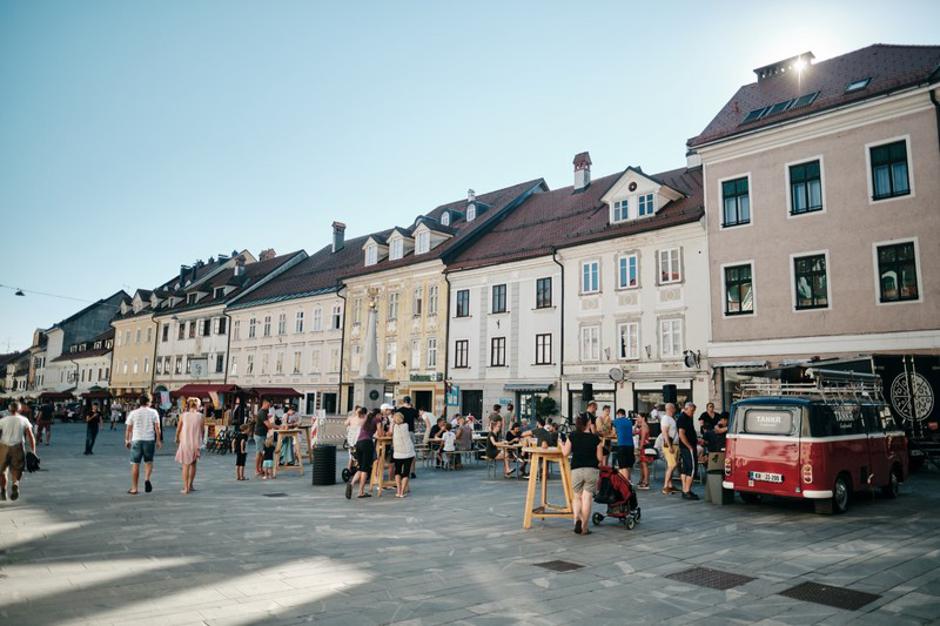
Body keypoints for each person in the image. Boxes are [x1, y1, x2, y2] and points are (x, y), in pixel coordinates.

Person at [562, 415, 604, 536]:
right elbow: (600, 458)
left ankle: (577, 520)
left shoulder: (572, 436)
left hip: (576, 470)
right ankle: (585, 527)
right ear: (589, 423)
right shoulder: (596, 439)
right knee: (587, 498)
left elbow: (565, 453)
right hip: (591, 470)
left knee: (577, 497)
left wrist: (561, 444)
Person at [124, 394, 162, 495]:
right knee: (148, 462)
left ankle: (134, 488)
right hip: (149, 440)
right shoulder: (154, 412)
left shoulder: (133, 413)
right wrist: (158, 440)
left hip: (136, 440)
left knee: (135, 464)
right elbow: (157, 428)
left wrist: (127, 440)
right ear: (149, 402)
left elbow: (128, 428)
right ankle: (146, 479)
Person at [0, 402, 37, 501]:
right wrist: (33, 451)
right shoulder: (24, 420)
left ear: (9, 409)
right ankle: (15, 484)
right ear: (20, 410)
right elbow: (30, 436)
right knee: (17, 469)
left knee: (2, 471)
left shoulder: (3, 420)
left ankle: (3, 490)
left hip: (3, 446)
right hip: (18, 447)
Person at [347, 408, 383, 499]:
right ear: (378, 414)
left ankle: (351, 484)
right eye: (381, 414)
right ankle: (361, 492)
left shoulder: (367, 419)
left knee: (360, 467)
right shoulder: (377, 419)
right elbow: (380, 433)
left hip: (359, 443)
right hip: (367, 443)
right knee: (365, 469)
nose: (382, 416)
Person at [174, 398, 205, 494]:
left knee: (185, 465)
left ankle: (186, 487)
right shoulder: (201, 416)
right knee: (193, 464)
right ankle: (191, 485)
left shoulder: (183, 415)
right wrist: (201, 440)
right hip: (195, 443)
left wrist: (177, 438)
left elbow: (178, 428)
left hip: (185, 442)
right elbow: (202, 430)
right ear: (198, 406)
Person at [677, 402, 700, 500]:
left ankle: (685, 489)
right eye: (691, 411)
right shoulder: (683, 418)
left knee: (686, 468)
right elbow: (681, 434)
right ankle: (686, 491)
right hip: (687, 447)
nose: (693, 413)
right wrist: (689, 446)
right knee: (692, 468)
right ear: (686, 409)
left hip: (687, 446)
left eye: (694, 411)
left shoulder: (687, 418)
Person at [391, 412, 415, 497]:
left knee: (397, 471)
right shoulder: (406, 425)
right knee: (406, 472)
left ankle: (398, 490)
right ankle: (402, 492)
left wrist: (392, 423)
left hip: (398, 453)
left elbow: (390, 433)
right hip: (408, 452)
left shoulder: (393, 427)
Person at [397, 396, 420, 479]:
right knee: (412, 452)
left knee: (401, 451)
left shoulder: (399, 410)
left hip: (400, 432)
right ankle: (412, 471)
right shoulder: (413, 410)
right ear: (410, 401)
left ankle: (402, 470)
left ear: (403, 401)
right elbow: (419, 419)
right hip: (410, 432)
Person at [659, 403, 678, 495]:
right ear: (670, 408)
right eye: (674, 408)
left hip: (674, 444)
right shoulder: (666, 418)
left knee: (671, 465)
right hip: (669, 444)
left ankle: (670, 485)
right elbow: (665, 432)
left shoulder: (671, 418)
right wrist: (670, 446)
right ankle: (665, 486)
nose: (675, 409)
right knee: (672, 465)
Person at [612, 408, 635, 483]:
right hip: (631, 445)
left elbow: (613, 433)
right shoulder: (629, 421)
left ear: (618, 414)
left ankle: (626, 483)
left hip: (622, 444)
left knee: (622, 465)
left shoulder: (616, 421)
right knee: (628, 464)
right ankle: (629, 480)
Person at [253, 400, 274, 477]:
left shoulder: (265, 411)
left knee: (261, 453)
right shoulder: (262, 412)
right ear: (264, 404)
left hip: (262, 434)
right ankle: (257, 470)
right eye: (268, 405)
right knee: (259, 452)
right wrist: (278, 427)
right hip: (259, 435)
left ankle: (260, 469)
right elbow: (268, 425)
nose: (269, 407)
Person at [634, 413, 652, 490]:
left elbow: (643, 438)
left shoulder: (644, 426)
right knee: (642, 465)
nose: (637, 419)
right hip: (643, 446)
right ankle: (642, 480)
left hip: (644, 447)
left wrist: (640, 448)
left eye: (638, 417)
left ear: (643, 418)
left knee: (644, 465)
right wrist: (635, 425)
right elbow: (634, 432)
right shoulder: (641, 426)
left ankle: (646, 482)